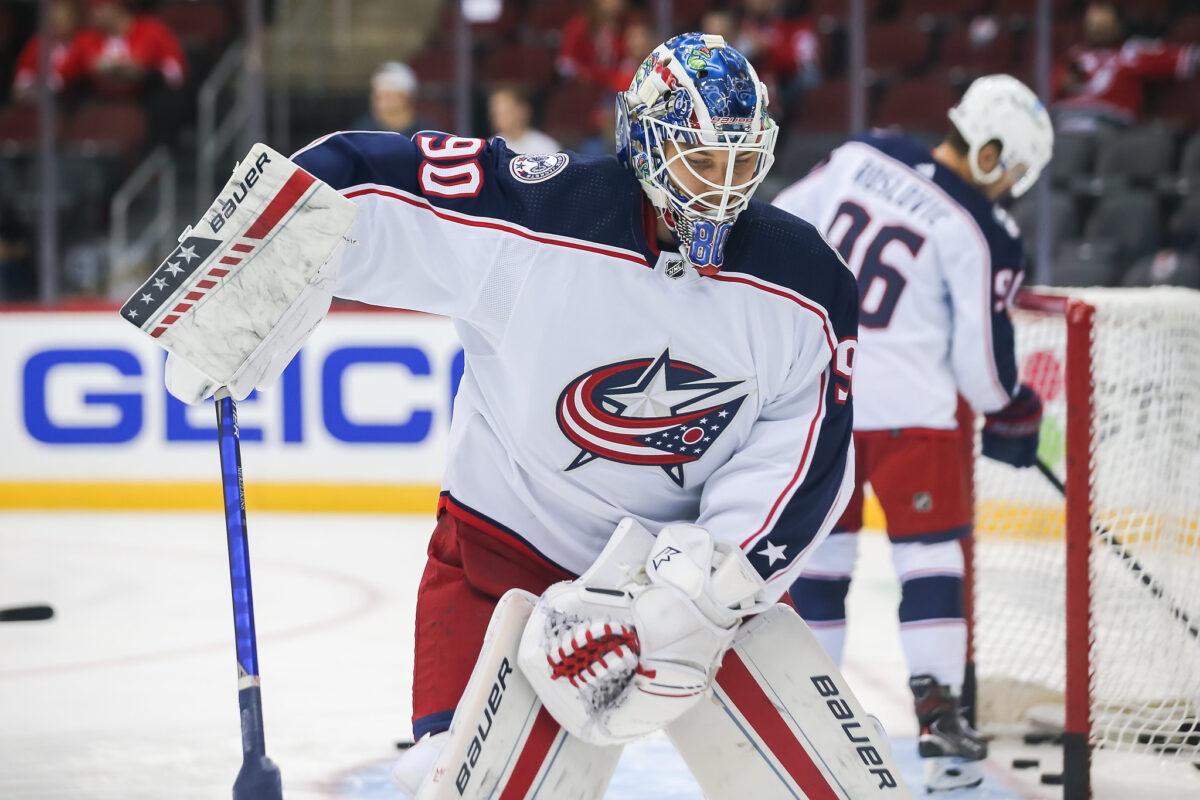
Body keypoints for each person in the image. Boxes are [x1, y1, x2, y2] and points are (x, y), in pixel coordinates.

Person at [286, 33, 858, 795]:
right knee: (455, 781)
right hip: (508, 553)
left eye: (741, 161)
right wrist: (270, 236)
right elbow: (375, 179)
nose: (724, 187)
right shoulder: (538, 212)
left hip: (682, 578)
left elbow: (804, 454)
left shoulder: (807, 284)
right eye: (700, 159)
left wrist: (710, 585)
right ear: (647, 146)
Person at [772, 74, 1053, 792]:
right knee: (930, 562)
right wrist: (1012, 407)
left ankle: (810, 725)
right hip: (913, 419)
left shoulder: (863, 152)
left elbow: (778, 228)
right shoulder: (986, 230)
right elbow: (981, 368)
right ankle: (942, 736)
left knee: (822, 565)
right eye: (1014, 171)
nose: (1011, 188)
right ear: (991, 152)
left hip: (825, 400)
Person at [1052, 1, 1199, 133]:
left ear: (1118, 24)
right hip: (1064, 120)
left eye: (1103, 26)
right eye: (1094, 26)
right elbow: (1050, 89)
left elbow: (1187, 58)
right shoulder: (1074, 55)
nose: (1098, 30)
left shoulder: (1131, 52)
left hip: (1107, 125)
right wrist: (1063, 82)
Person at [11, 0, 101, 102]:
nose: (57, 22)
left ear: (74, 18)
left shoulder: (84, 41)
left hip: (74, 104)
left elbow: (79, 70)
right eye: (53, 18)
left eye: (63, 17)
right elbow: (24, 71)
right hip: (36, 102)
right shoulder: (38, 42)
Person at [350, 61, 435, 138]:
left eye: (388, 96)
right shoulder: (361, 130)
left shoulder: (427, 134)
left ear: (406, 97)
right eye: (377, 97)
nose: (381, 104)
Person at [486, 84, 560, 154]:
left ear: (522, 111)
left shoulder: (546, 147)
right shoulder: (489, 148)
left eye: (505, 111)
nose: (497, 117)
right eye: (495, 112)